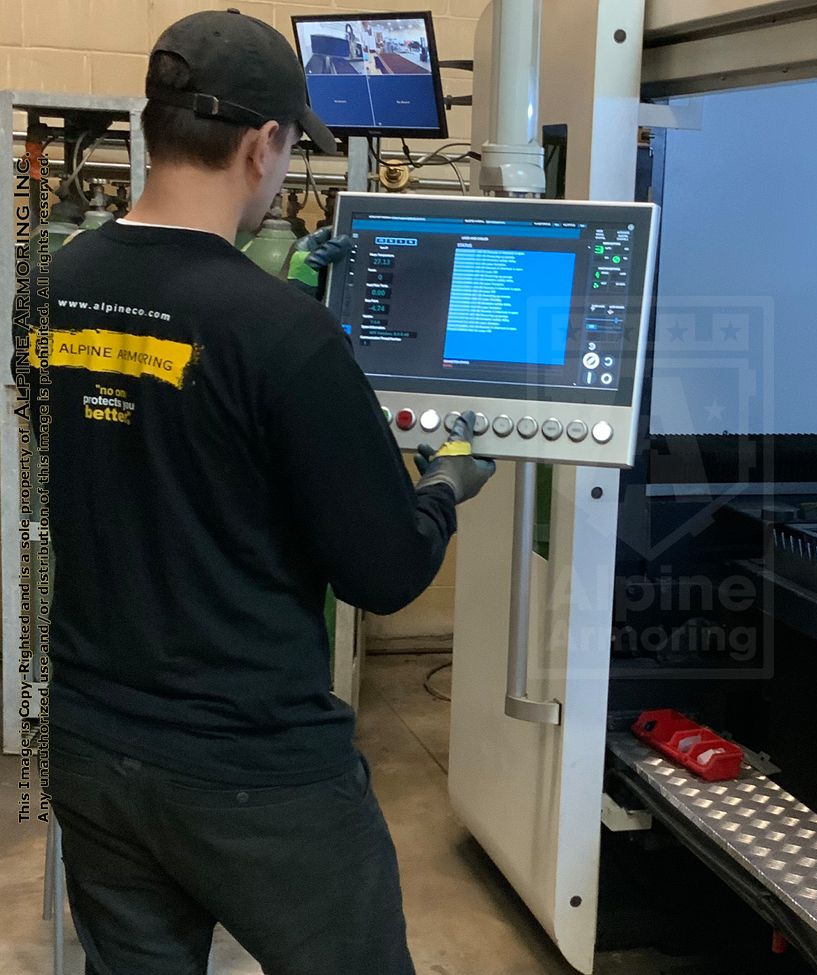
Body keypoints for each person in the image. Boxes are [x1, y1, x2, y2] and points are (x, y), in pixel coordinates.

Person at [33, 10, 495, 975]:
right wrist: (446, 485)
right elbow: (383, 570)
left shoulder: (52, 282)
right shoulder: (283, 334)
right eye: (288, 154)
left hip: (93, 748)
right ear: (262, 144)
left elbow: (130, 448)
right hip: (253, 770)